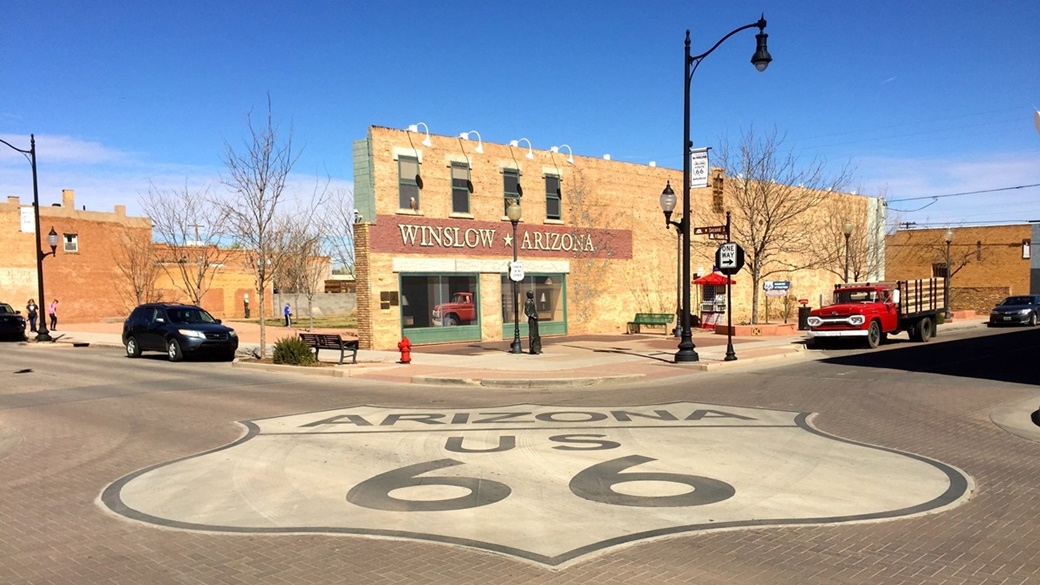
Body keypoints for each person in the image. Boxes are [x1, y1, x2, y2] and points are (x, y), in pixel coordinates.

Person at [524, 290, 541, 354]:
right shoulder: (527, 302)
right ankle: (532, 348)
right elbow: (526, 311)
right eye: (532, 294)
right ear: (529, 295)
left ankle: (536, 347)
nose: (533, 295)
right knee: (532, 333)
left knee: (536, 333)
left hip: (535, 319)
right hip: (532, 319)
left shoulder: (532, 301)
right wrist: (532, 316)